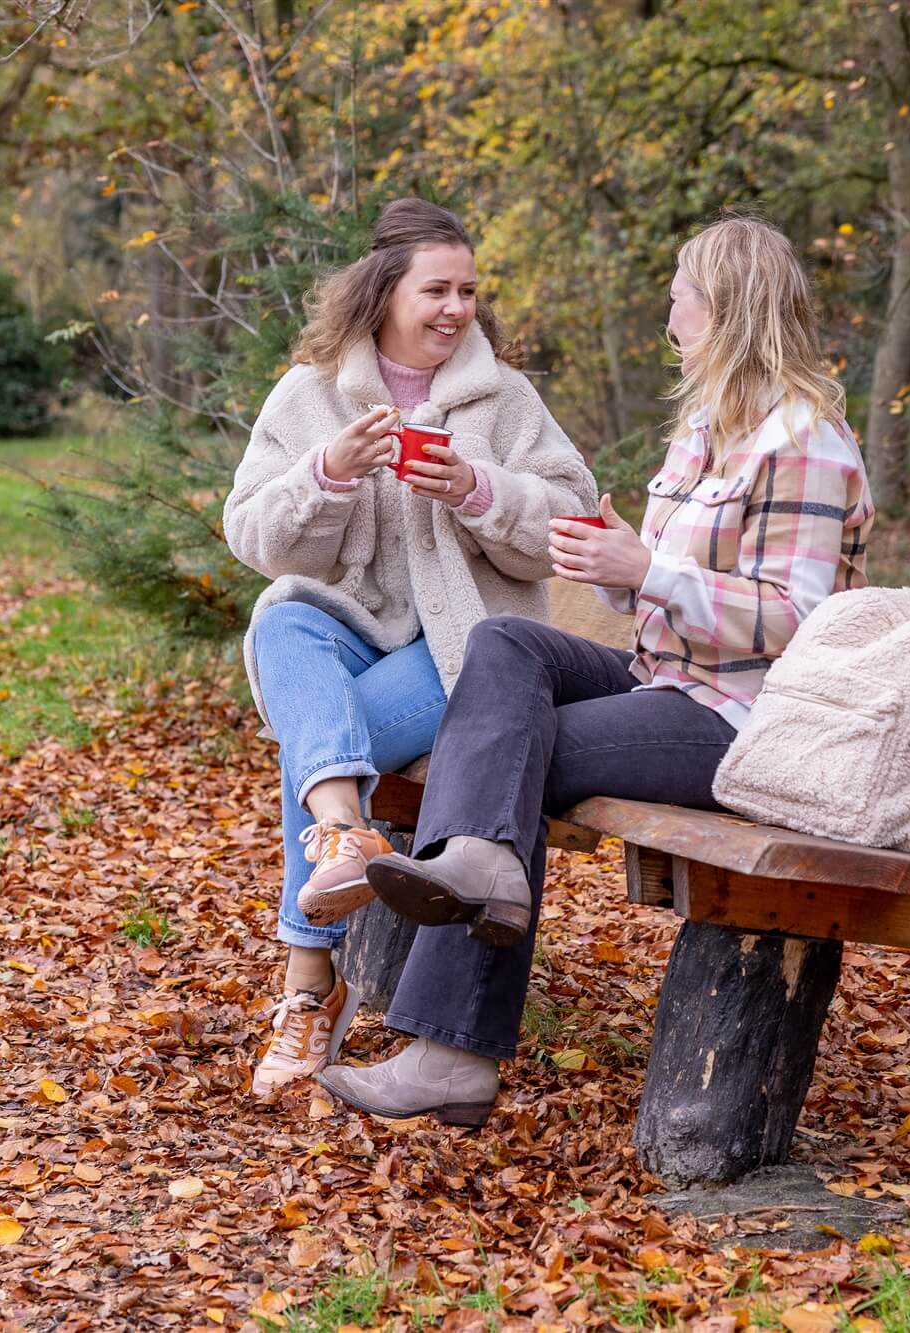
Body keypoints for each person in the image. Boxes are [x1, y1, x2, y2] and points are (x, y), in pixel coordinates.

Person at [316, 215, 875, 1126]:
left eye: (679, 300)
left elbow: (802, 619)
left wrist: (648, 570)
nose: (669, 321)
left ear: (725, 308)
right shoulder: (708, 430)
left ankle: (450, 1051)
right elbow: (663, 588)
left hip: (739, 715)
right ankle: (482, 873)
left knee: (507, 754)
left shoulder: (803, 440)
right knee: (502, 645)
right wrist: (615, 561)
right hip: (666, 677)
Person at [222, 198, 597, 1098]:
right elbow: (250, 533)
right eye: (438, 289)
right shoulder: (309, 394)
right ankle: (346, 836)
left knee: (318, 747)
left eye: (469, 290)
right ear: (385, 290)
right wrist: (327, 474)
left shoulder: (505, 399)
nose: (456, 308)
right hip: (345, 634)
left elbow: (573, 517)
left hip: (466, 650)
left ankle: (310, 979)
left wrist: (477, 489)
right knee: (281, 617)